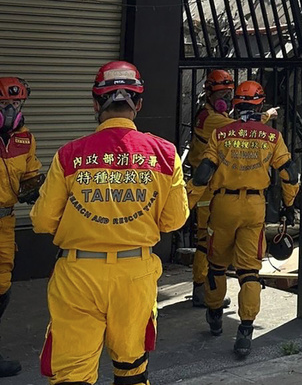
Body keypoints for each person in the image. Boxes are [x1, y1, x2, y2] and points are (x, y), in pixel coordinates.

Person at [31, 61, 188, 385]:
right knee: (132, 370)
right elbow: (174, 221)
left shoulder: (69, 155)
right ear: (138, 104)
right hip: (135, 274)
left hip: (77, 276)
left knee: (71, 376)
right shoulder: (165, 154)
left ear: (94, 102)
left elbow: (43, 221)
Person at [189, 80, 298, 358]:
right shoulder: (272, 137)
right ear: (260, 104)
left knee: (216, 265)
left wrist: (185, 203)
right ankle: (245, 331)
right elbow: (289, 174)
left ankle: (214, 315)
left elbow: (203, 173)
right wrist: (288, 205)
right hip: (254, 207)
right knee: (249, 271)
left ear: (235, 104)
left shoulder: (222, 134)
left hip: (223, 205)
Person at [0, 78, 42, 377]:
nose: (11, 110)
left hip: (5, 220)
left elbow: (30, 176)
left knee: (2, 286)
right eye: (4, 105)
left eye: (16, 104)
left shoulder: (25, 139)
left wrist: (38, 189)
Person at [185, 70, 235, 308]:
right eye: (221, 93)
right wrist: (263, 117)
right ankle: (201, 289)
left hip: (215, 185)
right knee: (206, 240)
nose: (225, 98)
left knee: (213, 239)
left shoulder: (212, 114)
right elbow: (236, 129)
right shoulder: (209, 118)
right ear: (209, 93)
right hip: (204, 187)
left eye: (228, 93)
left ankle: (206, 287)